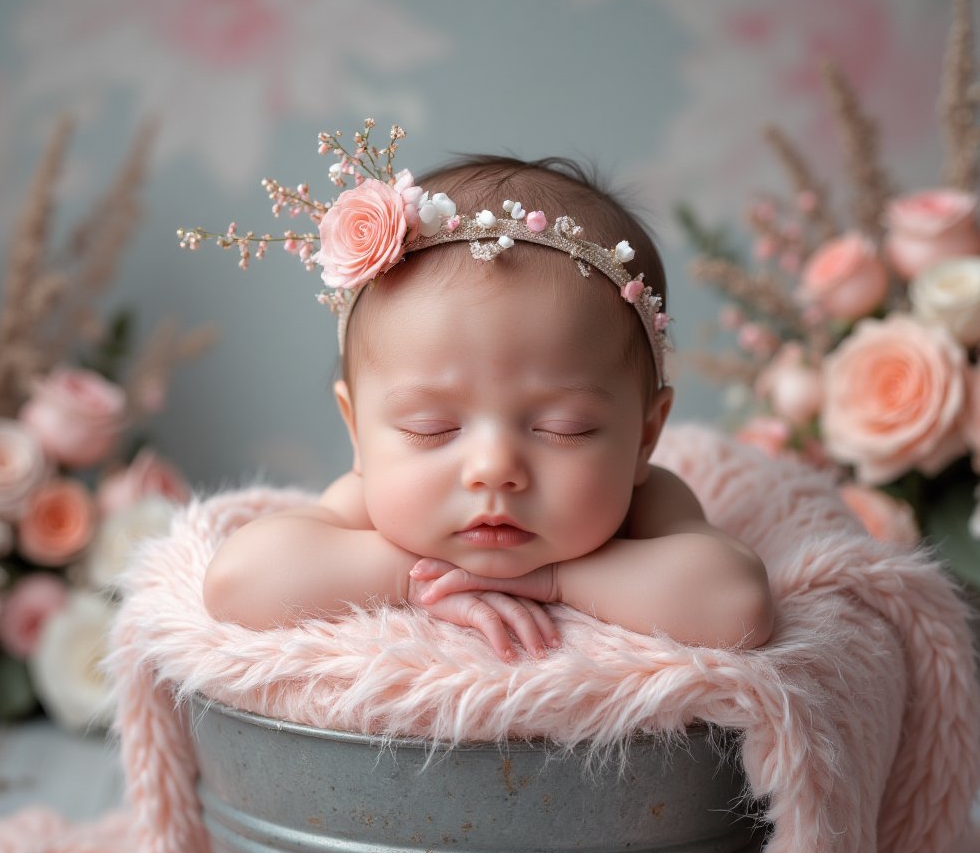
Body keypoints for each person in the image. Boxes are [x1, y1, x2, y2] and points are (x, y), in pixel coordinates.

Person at [191, 124, 774, 660]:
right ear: (357, 431)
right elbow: (237, 582)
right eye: (431, 428)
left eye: (563, 428)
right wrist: (414, 576)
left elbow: (736, 605)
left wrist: (554, 581)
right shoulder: (368, 506)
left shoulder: (647, 506)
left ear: (645, 436)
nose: (494, 469)